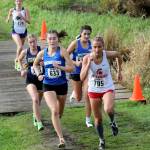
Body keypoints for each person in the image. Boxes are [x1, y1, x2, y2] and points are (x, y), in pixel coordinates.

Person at [33, 30, 74, 148]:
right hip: (48, 85)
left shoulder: (62, 52)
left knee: (59, 112)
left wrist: (60, 67)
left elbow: (71, 68)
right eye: (49, 39)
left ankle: (56, 121)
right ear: (46, 40)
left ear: (58, 39)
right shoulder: (42, 53)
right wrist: (38, 74)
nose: (52, 41)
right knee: (54, 110)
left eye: (54, 38)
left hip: (61, 85)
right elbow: (35, 64)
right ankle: (61, 139)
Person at [80, 36, 122, 150]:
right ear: (91, 47)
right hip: (93, 90)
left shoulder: (106, 54)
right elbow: (82, 77)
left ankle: (113, 122)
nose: (97, 50)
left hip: (107, 87)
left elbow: (118, 55)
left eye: (99, 47)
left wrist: (119, 71)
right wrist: (88, 64)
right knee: (98, 119)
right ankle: (102, 140)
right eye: (94, 47)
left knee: (108, 109)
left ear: (103, 47)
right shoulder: (87, 58)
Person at [67, 25, 93, 127]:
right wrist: (75, 63)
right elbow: (65, 56)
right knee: (78, 98)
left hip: (87, 73)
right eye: (85, 34)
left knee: (87, 96)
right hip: (76, 72)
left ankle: (88, 120)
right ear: (81, 34)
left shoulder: (92, 45)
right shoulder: (75, 44)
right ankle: (75, 93)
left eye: (88, 34)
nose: (86, 36)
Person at [18, 34, 44, 131]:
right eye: (30, 42)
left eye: (34, 41)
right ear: (28, 43)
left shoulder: (42, 51)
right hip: (30, 79)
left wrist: (43, 63)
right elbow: (19, 60)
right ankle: (39, 122)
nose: (32, 44)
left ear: (37, 41)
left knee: (38, 101)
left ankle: (35, 114)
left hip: (41, 79)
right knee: (35, 99)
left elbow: (49, 61)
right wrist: (22, 69)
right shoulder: (26, 52)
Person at [6, 0, 30, 71]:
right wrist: (7, 19)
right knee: (20, 46)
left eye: (20, 1)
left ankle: (18, 60)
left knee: (20, 48)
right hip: (15, 31)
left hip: (23, 31)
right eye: (17, 1)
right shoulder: (12, 10)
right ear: (15, 2)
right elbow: (9, 16)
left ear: (22, 2)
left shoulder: (25, 10)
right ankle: (17, 61)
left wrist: (22, 17)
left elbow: (29, 21)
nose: (18, 2)